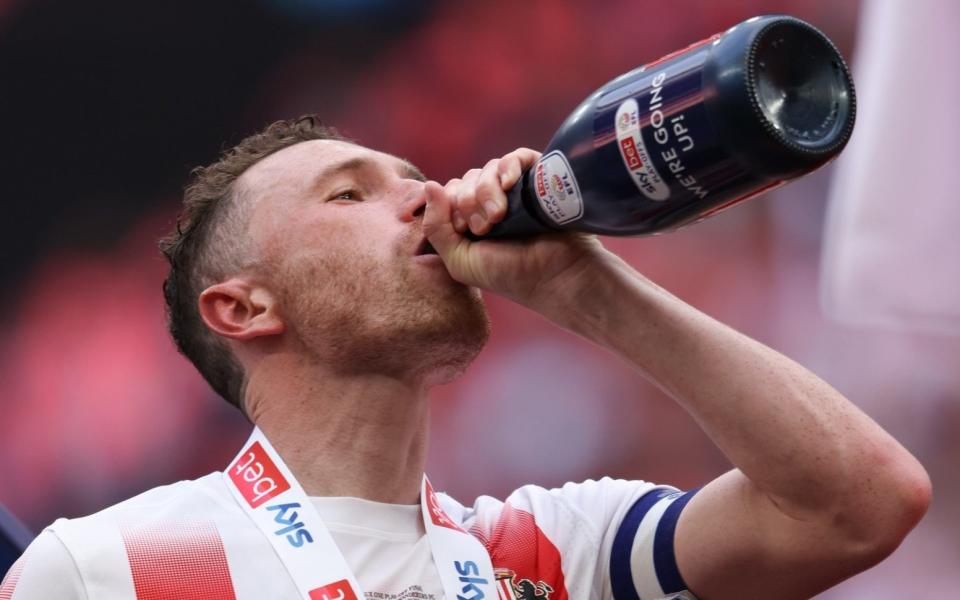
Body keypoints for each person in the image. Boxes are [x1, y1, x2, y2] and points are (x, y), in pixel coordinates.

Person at [1, 116, 931, 600]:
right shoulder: (107, 566)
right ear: (243, 307)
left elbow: (861, 505)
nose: (425, 201)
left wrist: (588, 290)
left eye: (416, 180)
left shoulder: (555, 554)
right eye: (347, 196)